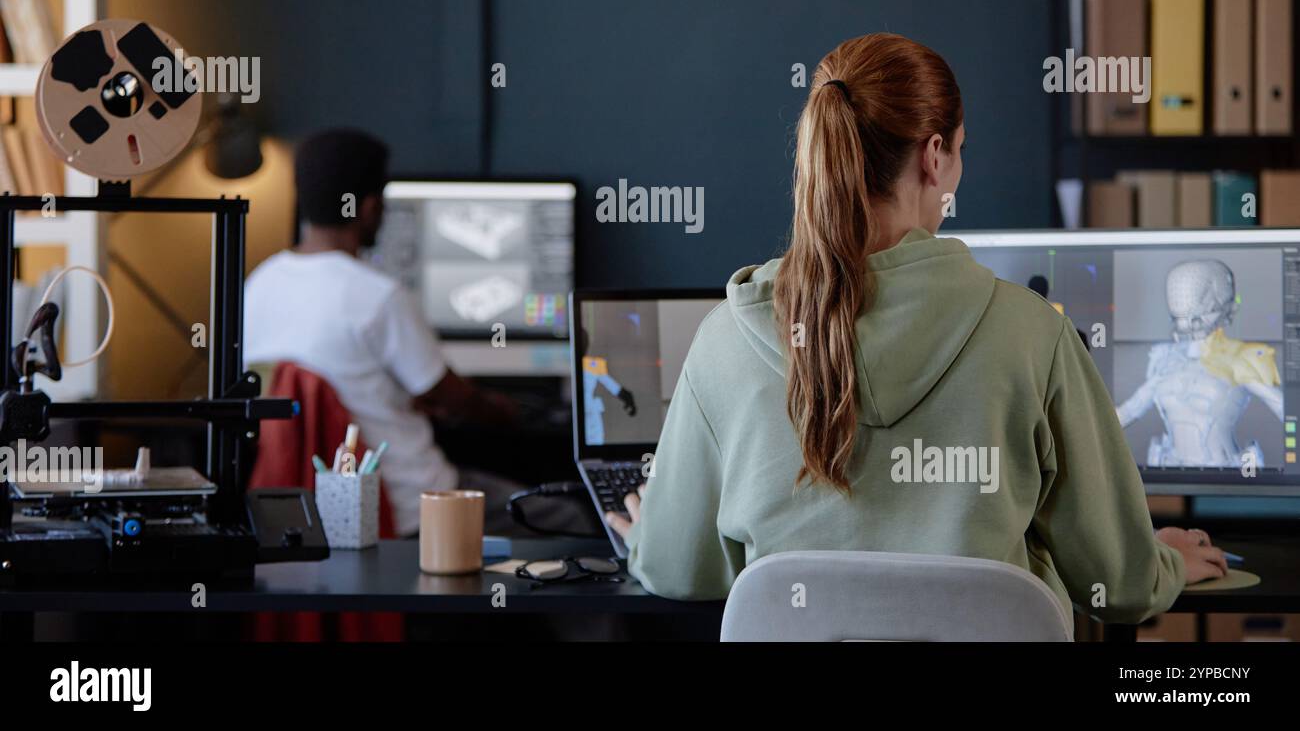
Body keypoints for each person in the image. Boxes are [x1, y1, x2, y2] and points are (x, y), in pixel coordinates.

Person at [609, 33, 1227, 623]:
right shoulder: (1033, 337)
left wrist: (650, 540)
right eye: (960, 147)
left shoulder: (724, 342)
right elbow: (1117, 586)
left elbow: (676, 570)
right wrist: (1164, 562)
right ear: (936, 157)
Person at [244, 128, 532, 538]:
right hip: (411, 506)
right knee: (557, 514)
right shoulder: (379, 296)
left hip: (313, 512)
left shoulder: (258, 286)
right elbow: (454, 398)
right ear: (370, 207)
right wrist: (509, 411)